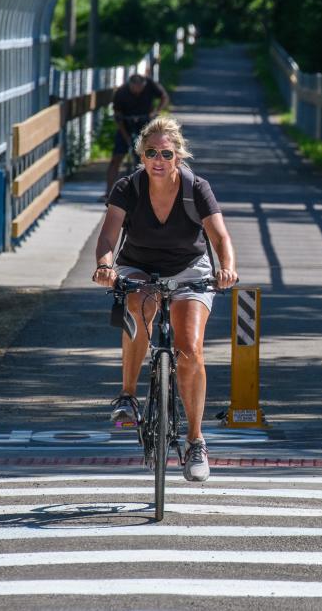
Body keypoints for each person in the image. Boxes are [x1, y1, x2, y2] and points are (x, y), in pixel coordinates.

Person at [91, 117, 238, 482]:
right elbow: (109, 236)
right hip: (139, 266)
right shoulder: (129, 188)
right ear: (142, 155)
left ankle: (196, 441)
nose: (158, 159)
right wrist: (104, 266)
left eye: (166, 153)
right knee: (139, 306)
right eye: (151, 152)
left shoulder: (196, 188)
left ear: (178, 156)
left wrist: (227, 269)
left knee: (189, 348)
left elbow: (219, 237)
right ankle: (127, 396)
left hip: (189, 269)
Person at [105, 73, 171, 199]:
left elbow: (164, 97)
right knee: (117, 157)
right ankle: (108, 192)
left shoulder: (150, 85)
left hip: (146, 124)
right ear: (129, 85)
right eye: (134, 89)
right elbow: (117, 116)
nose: (137, 92)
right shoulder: (121, 93)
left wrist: (156, 111)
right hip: (126, 123)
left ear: (144, 85)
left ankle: (152, 190)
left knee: (151, 157)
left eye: (139, 89)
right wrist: (126, 138)